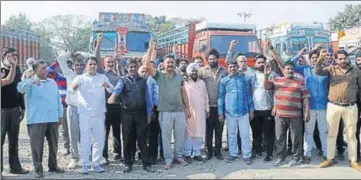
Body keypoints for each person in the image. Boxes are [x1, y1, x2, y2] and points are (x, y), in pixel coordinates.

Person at [144, 41, 191, 170]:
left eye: (171, 62)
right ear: (163, 64)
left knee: (179, 136)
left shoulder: (179, 77)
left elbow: (183, 93)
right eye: (167, 62)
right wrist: (150, 49)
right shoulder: (159, 76)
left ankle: (178, 156)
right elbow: (147, 65)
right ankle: (168, 159)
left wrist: (187, 108)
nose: (170, 64)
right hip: (165, 112)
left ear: (174, 64)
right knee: (165, 137)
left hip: (179, 111)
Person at [17, 60, 65, 178]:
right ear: (35, 70)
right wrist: (31, 81)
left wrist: (60, 115)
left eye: (46, 68)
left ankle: (53, 166)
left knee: (54, 144)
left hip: (52, 118)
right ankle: (38, 169)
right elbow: (20, 89)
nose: (46, 70)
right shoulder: (29, 82)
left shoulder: (52, 82)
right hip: (36, 119)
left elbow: (58, 100)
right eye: (43, 68)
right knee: (37, 146)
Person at [316, 49, 361, 172]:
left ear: (348, 58)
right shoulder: (331, 69)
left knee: (352, 135)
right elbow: (318, 71)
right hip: (333, 106)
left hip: (351, 106)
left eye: (344, 58)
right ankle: (330, 158)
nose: (342, 61)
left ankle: (353, 160)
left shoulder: (356, 71)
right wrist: (320, 58)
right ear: (336, 59)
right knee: (332, 133)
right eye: (340, 58)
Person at [108, 59, 155, 173]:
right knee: (128, 138)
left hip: (141, 114)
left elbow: (148, 99)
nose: (133, 69)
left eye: (135, 67)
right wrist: (113, 96)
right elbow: (117, 89)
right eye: (131, 67)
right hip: (126, 114)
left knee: (142, 139)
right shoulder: (123, 80)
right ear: (127, 68)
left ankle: (146, 163)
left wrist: (149, 114)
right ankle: (128, 163)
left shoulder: (144, 81)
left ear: (137, 67)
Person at [71, 56, 114, 174]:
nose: (92, 66)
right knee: (85, 140)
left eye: (94, 64)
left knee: (99, 139)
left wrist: (107, 86)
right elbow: (71, 90)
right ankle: (84, 164)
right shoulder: (80, 78)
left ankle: (96, 163)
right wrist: (74, 87)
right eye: (90, 64)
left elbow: (112, 90)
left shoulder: (102, 77)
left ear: (97, 66)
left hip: (99, 113)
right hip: (85, 113)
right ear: (86, 66)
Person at [264, 61, 310, 167]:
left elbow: (306, 97)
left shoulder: (300, 82)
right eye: (288, 69)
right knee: (280, 137)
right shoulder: (276, 80)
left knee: (296, 138)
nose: (290, 71)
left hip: (295, 115)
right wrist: (266, 76)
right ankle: (281, 157)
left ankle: (296, 157)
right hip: (280, 115)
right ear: (283, 70)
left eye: (291, 69)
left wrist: (307, 112)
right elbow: (266, 87)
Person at [218, 61, 254, 164]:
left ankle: (247, 155)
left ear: (237, 68)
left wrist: (251, 110)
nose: (232, 69)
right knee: (231, 134)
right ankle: (233, 154)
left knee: (245, 134)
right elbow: (220, 97)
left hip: (243, 111)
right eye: (230, 67)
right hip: (230, 112)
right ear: (227, 68)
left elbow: (248, 95)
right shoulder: (224, 81)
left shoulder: (244, 79)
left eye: (234, 67)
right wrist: (221, 112)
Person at [1, 47, 29, 176]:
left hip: (14, 108)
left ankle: (15, 167)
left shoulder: (17, 69)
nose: (15, 58)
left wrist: (22, 107)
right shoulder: (2, 69)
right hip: (2, 110)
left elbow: (19, 89)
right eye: (12, 55)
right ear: (5, 55)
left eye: (16, 55)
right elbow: (7, 81)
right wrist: (12, 67)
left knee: (14, 140)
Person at [198, 48, 227, 160]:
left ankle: (218, 151)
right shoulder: (202, 71)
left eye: (213, 58)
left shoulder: (224, 71)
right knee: (208, 131)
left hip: (220, 107)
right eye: (209, 58)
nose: (211, 60)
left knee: (219, 130)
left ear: (217, 59)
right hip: (207, 107)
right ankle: (209, 151)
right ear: (207, 60)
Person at [248, 54, 277, 162]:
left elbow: (276, 91)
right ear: (255, 64)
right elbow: (249, 91)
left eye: (262, 62)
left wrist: (275, 106)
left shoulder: (273, 75)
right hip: (255, 109)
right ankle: (258, 150)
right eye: (259, 62)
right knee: (256, 132)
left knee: (268, 133)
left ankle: (269, 154)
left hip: (268, 108)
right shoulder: (251, 76)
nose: (261, 64)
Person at [183, 63, 209, 163]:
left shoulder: (202, 82)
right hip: (189, 111)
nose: (194, 72)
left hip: (201, 111)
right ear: (188, 72)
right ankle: (187, 153)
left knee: (199, 132)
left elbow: (206, 96)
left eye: (195, 70)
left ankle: (197, 153)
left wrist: (207, 109)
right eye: (192, 71)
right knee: (189, 133)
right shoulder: (185, 82)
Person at [102, 56, 123, 165]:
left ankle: (117, 154)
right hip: (105, 107)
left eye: (112, 62)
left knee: (116, 132)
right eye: (108, 62)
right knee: (105, 132)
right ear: (104, 63)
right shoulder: (102, 75)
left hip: (117, 106)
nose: (110, 63)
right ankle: (104, 155)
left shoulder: (118, 76)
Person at [46, 61, 70, 156]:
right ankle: (66, 147)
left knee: (77, 129)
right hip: (63, 106)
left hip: (75, 106)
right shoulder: (59, 77)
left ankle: (76, 148)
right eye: (65, 65)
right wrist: (60, 60)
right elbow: (49, 69)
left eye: (69, 66)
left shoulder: (76, 76)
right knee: (65, 129)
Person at [354, 51, 361, 162]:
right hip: (355, 104)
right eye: (359, 60)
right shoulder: (353, 71)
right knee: (354, 130)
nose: (360, 62)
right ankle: (356, 154)